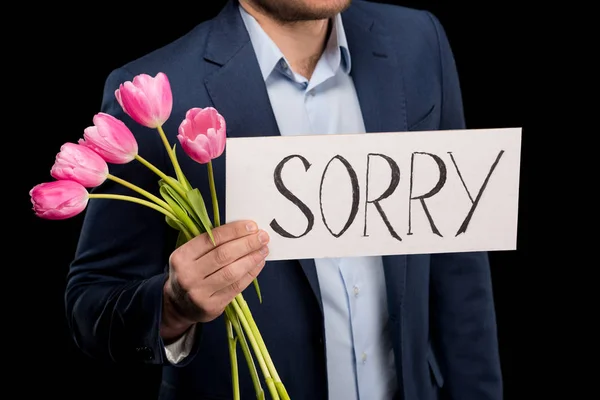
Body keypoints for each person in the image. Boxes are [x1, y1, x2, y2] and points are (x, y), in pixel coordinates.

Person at [65, 0, 503, 399]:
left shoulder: (418, 41)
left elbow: (459, 263)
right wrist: (173, 305)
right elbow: (91, 305)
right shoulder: (155, 91)